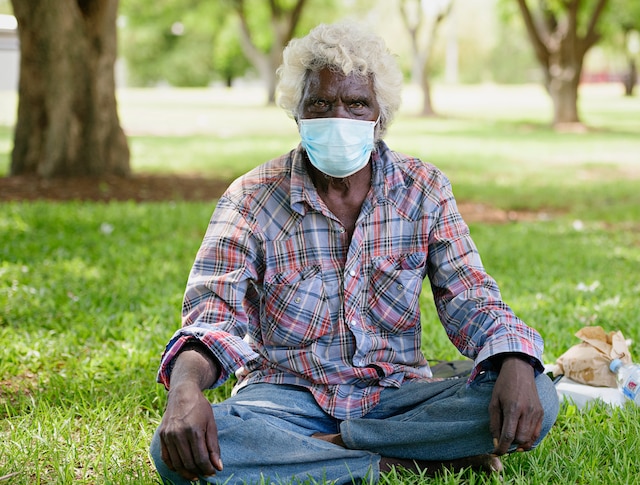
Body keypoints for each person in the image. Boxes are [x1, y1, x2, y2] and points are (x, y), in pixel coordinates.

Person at [150, 21, 559, 485]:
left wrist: (515, 360)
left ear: (379, 116)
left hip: (397, 394)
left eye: (356, 103)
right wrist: (184, 391)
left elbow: (470, 297)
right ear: (297, 112)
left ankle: (325, 454)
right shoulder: (251, 198)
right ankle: (402, 460)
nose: (338, 117)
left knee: (539, 396)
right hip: (286, 401)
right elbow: (212, 316)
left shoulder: (423, 189)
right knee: (174, 453)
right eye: (321, 103)